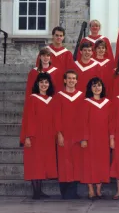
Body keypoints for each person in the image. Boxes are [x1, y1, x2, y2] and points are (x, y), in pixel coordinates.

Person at [20, 73, 57, 200]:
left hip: (47, 135)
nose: (44, 85)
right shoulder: (32, 98)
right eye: (41, 82)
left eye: (46, 82)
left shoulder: (51, 99)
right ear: (37, 84)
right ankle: (36, 192)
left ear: (49, 84)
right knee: (35, 163)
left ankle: (39, 191)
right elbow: (28, 119)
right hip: (35, 135)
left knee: (42, 163)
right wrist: (28, 136)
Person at [78, 77, 112, 200]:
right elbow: (83, 122)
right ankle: (91, 190)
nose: (97, 88)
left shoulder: (108, 103)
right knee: (89, 163)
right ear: (90, 88)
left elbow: (111, 122)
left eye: (99, 85)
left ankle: (98, 189)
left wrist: (111, 137)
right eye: (94, 86)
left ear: (102, 88)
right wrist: (84, 138)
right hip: (90, 138)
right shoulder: (86, 102)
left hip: (103, 138)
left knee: (102, 162)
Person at [53, 70, 84, 199]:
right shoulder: (59, 96)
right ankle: (65, 192)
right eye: (69, 78)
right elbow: (56, 117)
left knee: (76, 162)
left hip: (77, 134)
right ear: (65, 80)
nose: (71, 81)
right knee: (64, 162)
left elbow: (84, 118)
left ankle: (73, 191)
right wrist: (59, 133)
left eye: (73, 78)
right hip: (64, 133)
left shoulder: (81, 96)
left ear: (77, 81)